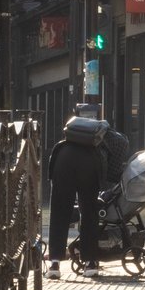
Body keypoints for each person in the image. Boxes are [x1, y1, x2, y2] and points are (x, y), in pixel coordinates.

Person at [46, 111, 105, 278]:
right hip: (89, 165)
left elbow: (51, 170)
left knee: (59, 213)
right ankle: (90, 263)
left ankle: (54, 264)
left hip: (63, 162)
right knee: (89, 213)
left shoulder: (62, 147)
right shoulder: (95, 147)